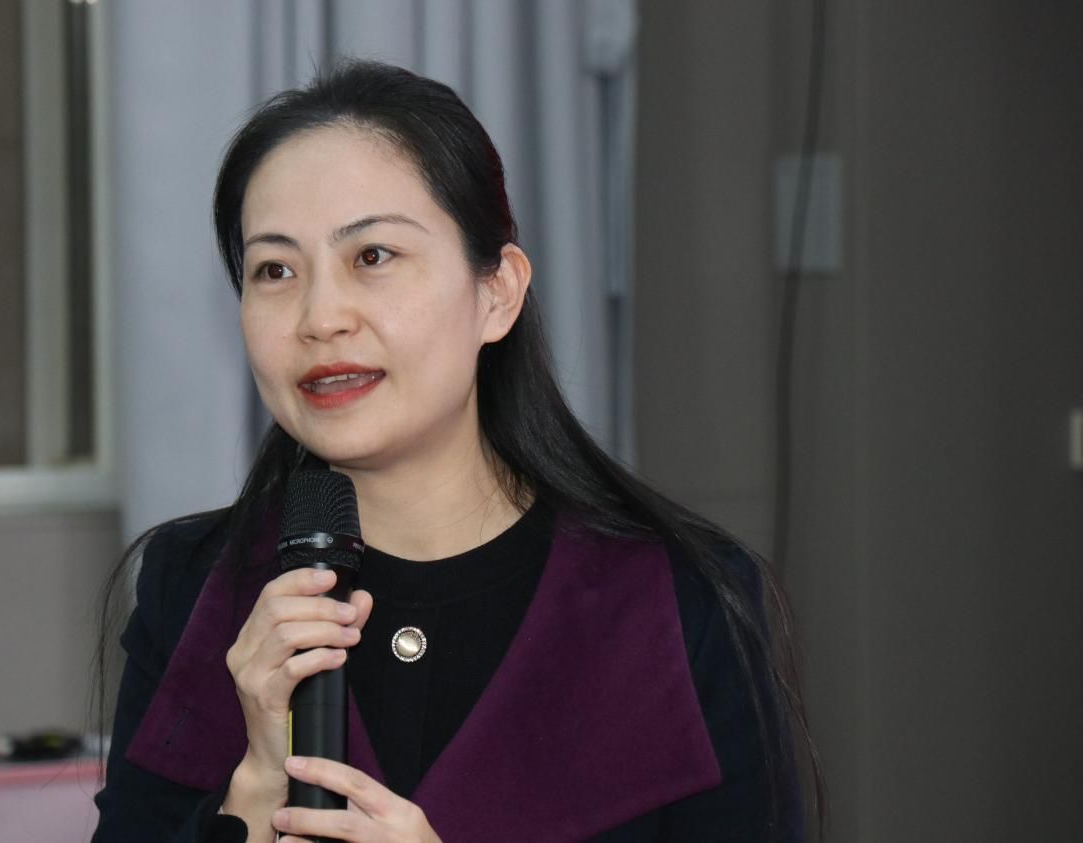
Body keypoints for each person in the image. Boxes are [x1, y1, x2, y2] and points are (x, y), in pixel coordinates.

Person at [92, 59, 819, 843]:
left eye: (372, 256)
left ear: (497, 292)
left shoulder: (682, 601)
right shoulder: (193, 589)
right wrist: (257, 784)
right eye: (275, 269)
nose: (320, 316)